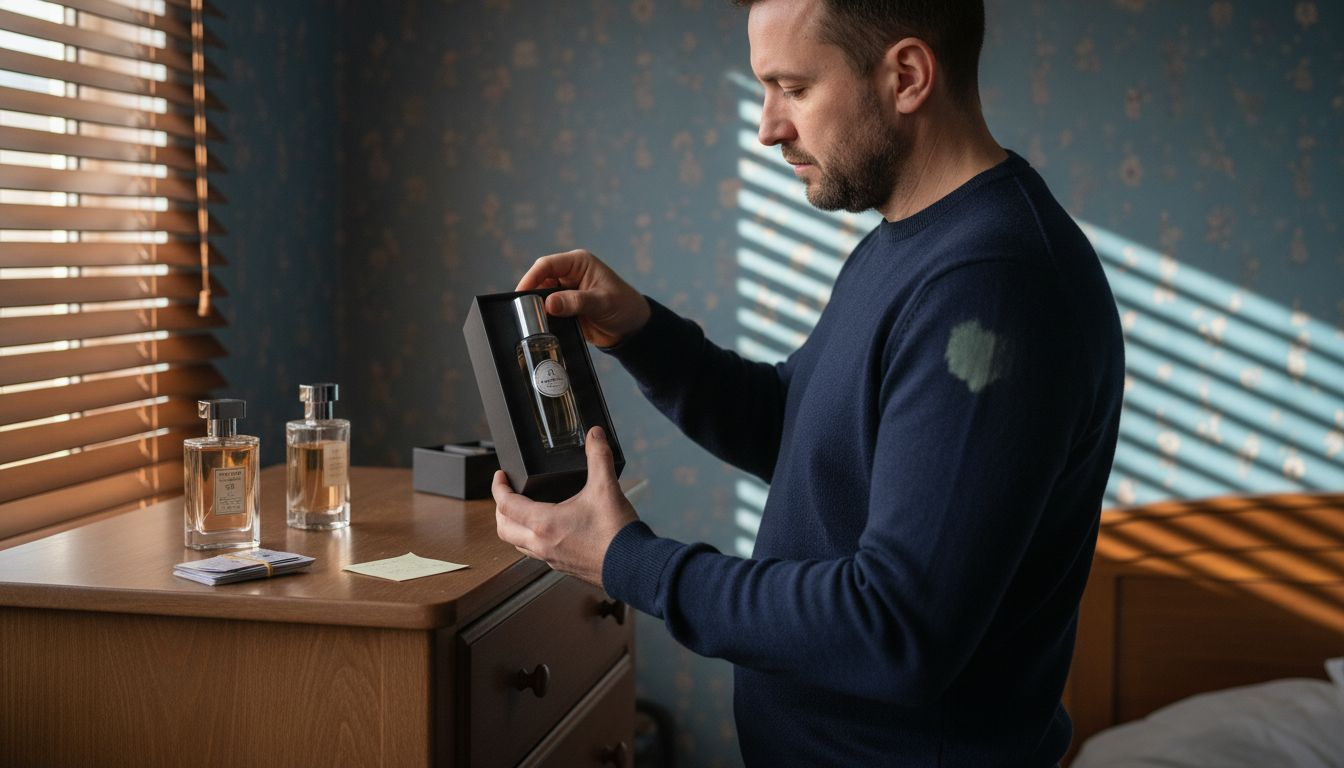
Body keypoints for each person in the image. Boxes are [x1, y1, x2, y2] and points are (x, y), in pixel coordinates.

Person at [491, 0, 1125, 764]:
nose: (768, 126)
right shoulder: (912, 241)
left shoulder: (991, 291)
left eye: (792, 88)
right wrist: (642, 334)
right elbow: (807, 435)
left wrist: (627, 560)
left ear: (908, 76)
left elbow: (896, 628)